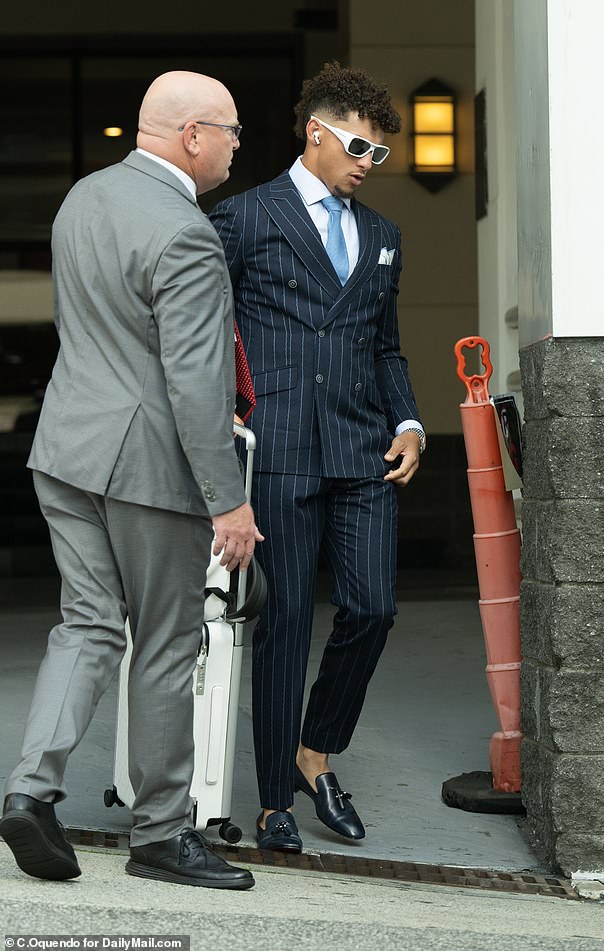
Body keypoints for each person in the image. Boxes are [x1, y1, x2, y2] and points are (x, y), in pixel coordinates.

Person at [0, 71, 263, 889]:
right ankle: (159, 834)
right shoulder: (187, 231)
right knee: (164, 643)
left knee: (84, 627)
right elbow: (196, 382)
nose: (234, 145)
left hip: (65, 449)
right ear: (191, 135)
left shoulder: (82, 198)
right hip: (147, 466)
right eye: (230, 130)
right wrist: (230, 499)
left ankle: (29, 790)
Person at [210, 61, 425, 853]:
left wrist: (408, 421)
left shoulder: (382, 237)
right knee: (288, 623)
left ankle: (315, 751)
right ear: (316, 132)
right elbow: (208, 334)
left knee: (373, 608)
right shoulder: (243, 218)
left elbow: (386, 347)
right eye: (361, 148)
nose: (370, 165)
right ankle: (274, 800)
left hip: (365, 448)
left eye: (381, 155)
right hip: (280, 450)